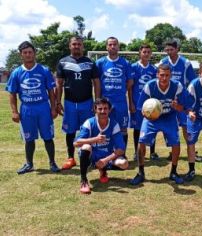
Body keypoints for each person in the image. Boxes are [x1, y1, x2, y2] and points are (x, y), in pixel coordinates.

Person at [6, 41, 60, 174]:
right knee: (29, 138)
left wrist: (53, 108)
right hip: (27, 109)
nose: (28, 55)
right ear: (21, 55)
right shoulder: (16, 73)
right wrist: (14, 111)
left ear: (34, 53)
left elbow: (51, 92)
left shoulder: (44, 70)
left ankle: (52, 163)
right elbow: (12, 94)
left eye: (30, 52)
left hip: (43, 108)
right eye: (25, 53)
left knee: (48, 137)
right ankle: (29, 164)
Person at [130, 64, 186, 185]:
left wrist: (177, 106)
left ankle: (173, 172)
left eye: (167, 75)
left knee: (176, 143)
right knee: (142, 141)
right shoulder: (149, 86)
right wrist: (148, 114)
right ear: (157, 75)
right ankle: (140, 172)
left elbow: (184, 107)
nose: (164, 78)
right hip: (152, 119)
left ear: (170, 75)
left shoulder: (177, 86)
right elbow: (141, 108)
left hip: (169, 117)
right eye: (161, 75)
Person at [56, 36, 101, 170]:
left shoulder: (90, 62)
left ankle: (90, 157)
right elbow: (59, 83)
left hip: (87, 102)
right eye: (74, 44)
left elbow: (96, 82)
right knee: (70, 132)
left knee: (88, 130)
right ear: (70, 46)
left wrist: (97, 101)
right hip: (70, 103)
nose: (76, 46)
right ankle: (71, 158)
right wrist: (58, 102)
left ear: (83, 46)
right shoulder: (63, 62)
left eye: (79, 44)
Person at [159, 39, 202, 162]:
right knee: (171, 126)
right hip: (167, 99)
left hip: (182, 99)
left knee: (186, 127)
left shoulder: (185, 63)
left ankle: (192, 151)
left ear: (177, 49)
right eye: (167, 50)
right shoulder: (163, 62)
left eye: (171, 49)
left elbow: (192, 81)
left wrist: (188, 98)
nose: (169, 52)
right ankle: (173, 151)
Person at [74, 98, 128, 194]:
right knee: (86, 147)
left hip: (106, 157)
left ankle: (103, 170)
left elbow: (121, 149)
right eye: (100, 109)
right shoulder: (89, 123)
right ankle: (84, 181)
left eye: (105, 108)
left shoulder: (114, 124)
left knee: (124, 164)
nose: (103, 111)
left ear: (109, 110)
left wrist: (105, 160)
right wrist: (95, 139)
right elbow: (76, 143)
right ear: (95, 109)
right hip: (92, 156)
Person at [96, 36, 133, 157]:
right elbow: (96, 82)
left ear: (118, 46)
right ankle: (104, 153)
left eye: (115, 44)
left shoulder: (125, 63)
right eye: (110, 44)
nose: (112, 46)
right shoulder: (100, 63)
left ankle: (122, 153)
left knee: (122, 129)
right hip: (105, 102)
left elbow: (130, 82)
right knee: (104, 127)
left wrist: (121, 91)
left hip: (120, 102)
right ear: (106, 47)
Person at [130, 44, 159, 161]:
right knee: (137, 128)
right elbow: (130, 87)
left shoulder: (154, 69)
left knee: (152, 127)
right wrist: (131, 102)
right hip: (137, 103)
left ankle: (152, 152)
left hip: (151, 104)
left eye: (148, 52)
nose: (146, 54)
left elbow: (156, 87)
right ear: (140, 53)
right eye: (144, 52)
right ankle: (137, 152)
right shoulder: (133, 67)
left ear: (151, 54)